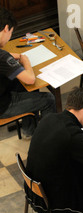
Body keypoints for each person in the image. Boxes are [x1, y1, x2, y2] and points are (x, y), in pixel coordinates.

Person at [0, 7, 56, 137]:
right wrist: (26, 61)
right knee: (48, 99)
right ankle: (49, 140)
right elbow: (30, 78)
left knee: (27, 87)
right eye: (11, 33)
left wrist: (9, 56)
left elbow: (4, 59)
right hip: (2, 104)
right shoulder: (2, 57)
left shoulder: (3, 56)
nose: (10, 37)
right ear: (6, 28)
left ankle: (29, 129)